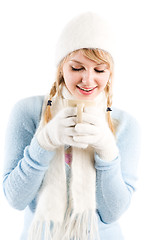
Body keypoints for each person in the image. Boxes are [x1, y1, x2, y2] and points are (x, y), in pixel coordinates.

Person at [3, 12, 140, 240]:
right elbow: (14, 199)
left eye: (99, 70)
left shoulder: (125, 124)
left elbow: (112, 212)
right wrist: (43, 142)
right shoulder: (28, 112)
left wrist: (107, 150)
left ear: (110, 73)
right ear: (61, 68)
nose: (88, 80)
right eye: (77, 68)